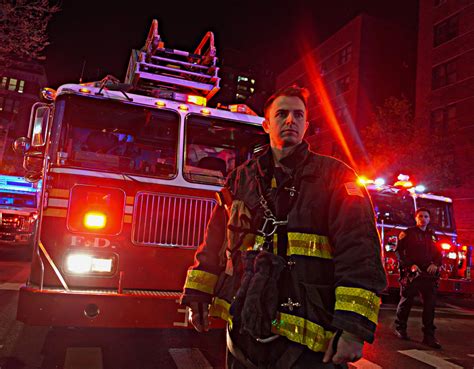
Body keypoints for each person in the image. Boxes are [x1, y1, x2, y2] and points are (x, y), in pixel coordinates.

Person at [180, 85, 387, 368]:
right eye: (282, 114)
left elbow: (360, 253)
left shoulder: (336, 177)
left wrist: (353, 328)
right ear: (266, 124)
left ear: (306, 125)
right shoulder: (242, 178)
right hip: (244, 328)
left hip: (308, 334)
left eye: (298, 115)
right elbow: (216, 240)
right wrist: (199, 293)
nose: (291, 121)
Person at [394, 208, 442, 349]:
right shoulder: (407, 233)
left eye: (426, 216)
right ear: (416, 218)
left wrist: (436, 264)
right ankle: (400, 328)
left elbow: (439, 253)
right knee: (406, 301)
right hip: (412, 274)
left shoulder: (432, 235)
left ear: (429, 219)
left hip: (428, 275)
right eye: (420, 216)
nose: (423, 219)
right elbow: (399, 252)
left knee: (430, 306)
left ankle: (429, 336)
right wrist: (410, 266)